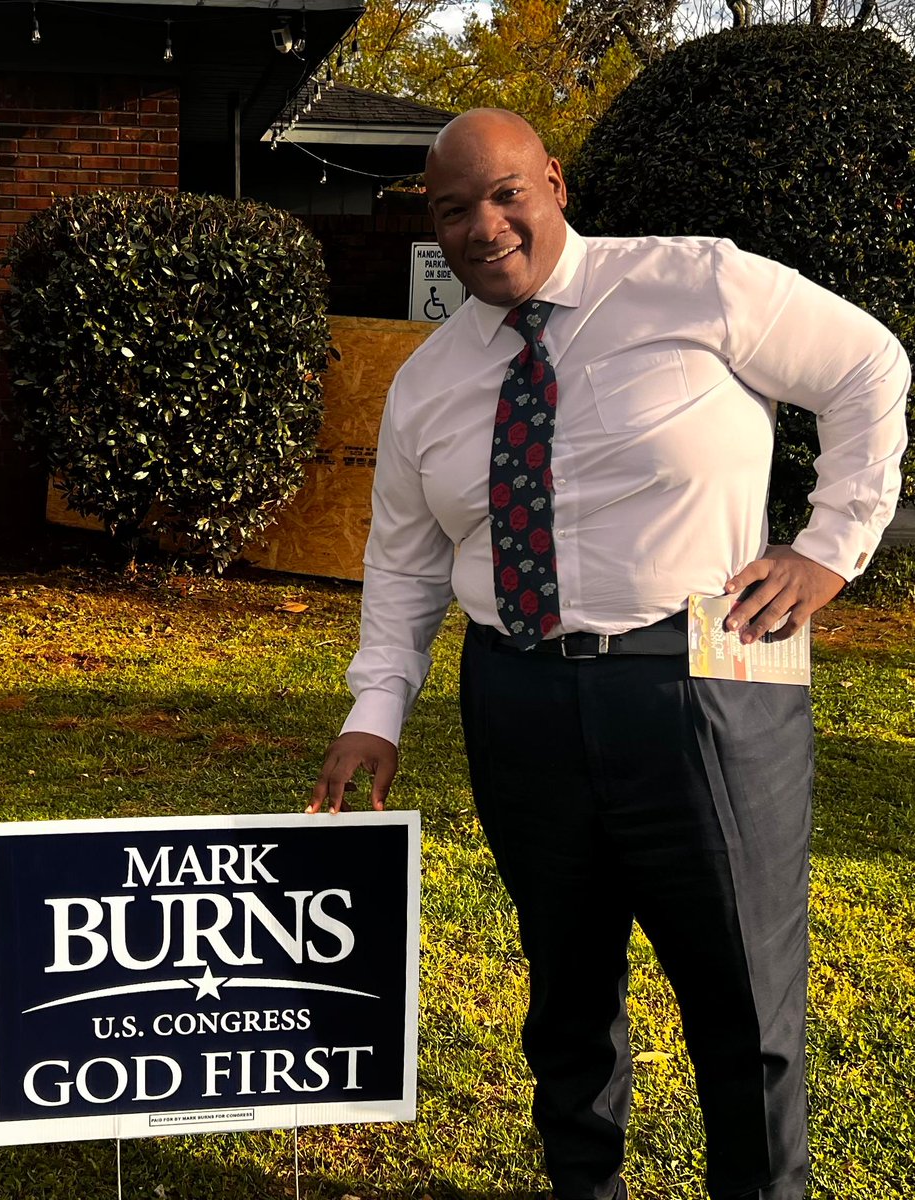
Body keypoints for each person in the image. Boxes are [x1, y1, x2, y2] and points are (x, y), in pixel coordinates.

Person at [310, 109, 909, 1200]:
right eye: (452, 211)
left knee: (745, 1006)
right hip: (516, 696)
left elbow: (868, 364)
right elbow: (402, 565)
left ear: (553, 182)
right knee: (566, 996)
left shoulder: (697, 286)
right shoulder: (427, 382)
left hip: (710, 678)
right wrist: (375, 711)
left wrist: (829, 550)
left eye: (502, 195)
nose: (482, 227)